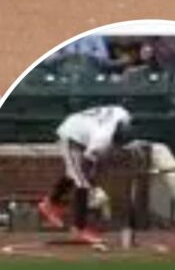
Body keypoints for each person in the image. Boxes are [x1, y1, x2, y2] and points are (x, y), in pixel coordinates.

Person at [38, 103, 134, 245]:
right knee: (82, 182)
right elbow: (89, 163)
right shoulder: (102, 138)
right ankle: (79, 228)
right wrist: (93, 184)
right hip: (71, 136)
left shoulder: (123, 114)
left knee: (74, 174)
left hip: (80, 128)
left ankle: (49, 203)